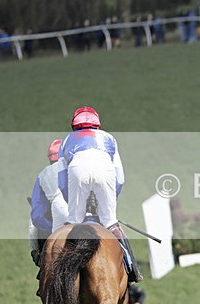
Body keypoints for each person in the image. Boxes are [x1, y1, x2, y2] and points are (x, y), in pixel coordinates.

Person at [58, 106, 143, 283]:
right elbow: (119, 178)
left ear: (75, 125)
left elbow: (62, 181)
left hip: (77, 171)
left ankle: (57, 273)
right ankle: (132, 268)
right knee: (111, 223)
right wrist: (110, 199)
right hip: (105, 172)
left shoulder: (66, 141)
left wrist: (72, 202)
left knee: (72, 223)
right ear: (97, 125)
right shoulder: (109, 138)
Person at [29, 138, 69, 266]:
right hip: (84, 209)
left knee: (32, 225)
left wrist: (50, 228)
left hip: (59, 212)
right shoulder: (78, 167)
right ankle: (129, 265)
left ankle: (37, 255)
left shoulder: (43, 175)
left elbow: (37, 215)